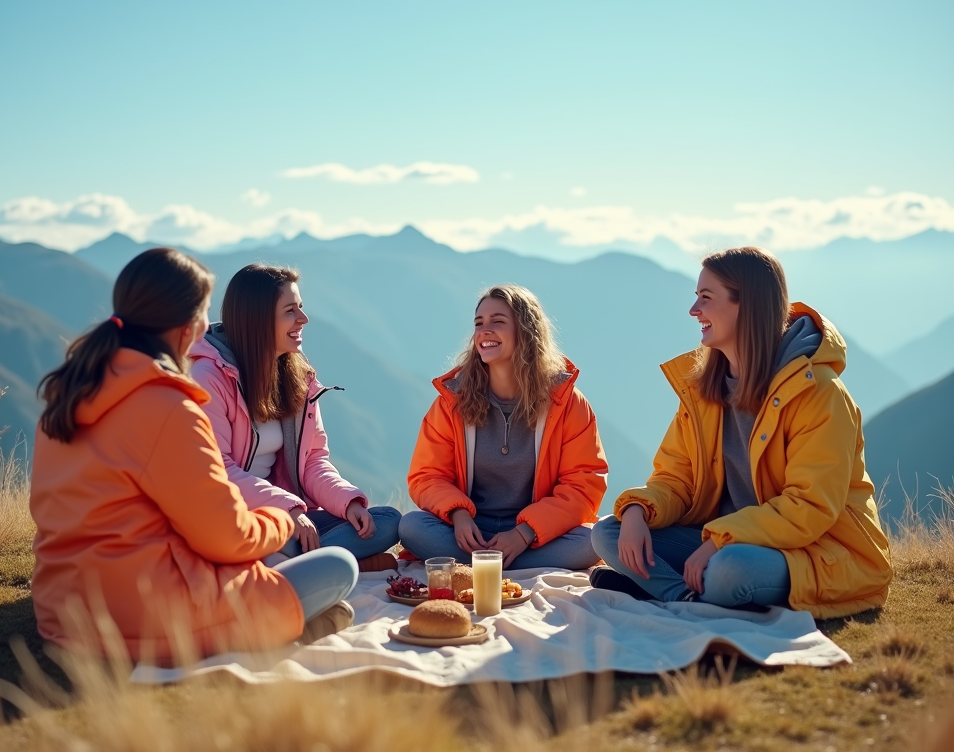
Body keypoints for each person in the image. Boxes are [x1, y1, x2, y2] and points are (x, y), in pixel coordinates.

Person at [31, 248, 358, 661]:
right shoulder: (168, 407)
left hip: (61, 610)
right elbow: (226, 537)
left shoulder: (70, 394)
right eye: (203, 312)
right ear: (185, 325)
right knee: (339, 567)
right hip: (143, 617)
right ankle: (278, 626)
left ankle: (291, 621)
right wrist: (279, 520)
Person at [590, 246, 892, 617]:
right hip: (722, 541)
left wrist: (719, 540)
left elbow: (809, 507)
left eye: (705, 298)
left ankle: (656, 588)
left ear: (746, 305)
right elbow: (676, 478)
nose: (693, 310)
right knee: (607, 532)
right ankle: (680, 596)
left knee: (728, 572)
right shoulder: (704, 390)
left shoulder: (820, 394)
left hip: (814, 552)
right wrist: (638, 509)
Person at [189, 263, 401, 572]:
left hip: (285, 515)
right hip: (233, 515)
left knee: (387, 521)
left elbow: (313, 460)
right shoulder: (209, 377)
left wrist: (347, 502)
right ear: (258, 319)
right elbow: (219, 471)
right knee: (275, 541)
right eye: (290, 311)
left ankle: (313, 560)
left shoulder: (297, 377)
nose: (303, 319)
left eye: (300, 307)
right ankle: (333, 559)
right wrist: (286, 508)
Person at [399, 284, 607, 570]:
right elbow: (427, 476)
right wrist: (458, 515)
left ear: (526, 330)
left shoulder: (566, 403)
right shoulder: (452, 401)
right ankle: (510, 564)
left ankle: (486, 565)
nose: (484, 331)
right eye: (479, 323)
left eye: (498, 322)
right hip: (472, 530)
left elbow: (584, 483)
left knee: (594, 538)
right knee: (412, 526)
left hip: (535, 534)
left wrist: (524, 533)